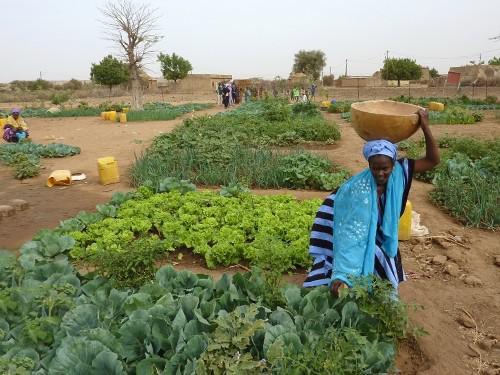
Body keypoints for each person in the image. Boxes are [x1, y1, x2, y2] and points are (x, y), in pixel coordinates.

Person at [303, 110, 439, 296]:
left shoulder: (402, 171)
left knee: (384, 264)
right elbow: (349, 232)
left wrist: (425, 126)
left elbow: (433, 160)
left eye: (385, 168)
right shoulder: (357, 188)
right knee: (354, 268)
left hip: (386, 238)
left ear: (393, 164)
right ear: (368, 165)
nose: (380, 174)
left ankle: (381, 298)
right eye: (375, 168)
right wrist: (342, 273)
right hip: (360, 239)